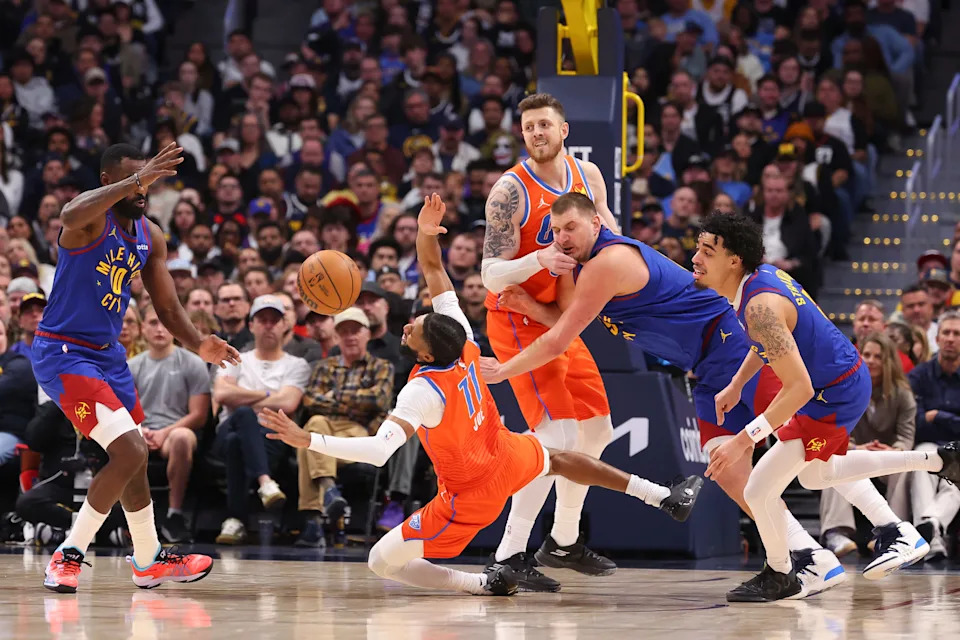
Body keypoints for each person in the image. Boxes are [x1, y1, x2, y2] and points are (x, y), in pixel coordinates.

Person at [259, 194, 702, 595]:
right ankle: (661, 496)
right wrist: (425, 232)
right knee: (561, 457)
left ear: (428, 350)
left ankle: (481, 583)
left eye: (414, 328)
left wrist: (307, 441)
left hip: (467, 494)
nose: (408, 324)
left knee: (380, 561)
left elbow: (378, 451)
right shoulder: (466, 343)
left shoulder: (421, 390)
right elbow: (434, 271)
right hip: (504, 454)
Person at [480, 193, 840, 600]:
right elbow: (571, 321)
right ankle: (807, 554)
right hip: (706, 364)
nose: (562, 238)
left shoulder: (607, 263)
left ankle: (847, 541)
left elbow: (560, 338)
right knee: (731, 471)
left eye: (571, 228)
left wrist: (503, 370)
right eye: (557, 230)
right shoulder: (585, 271)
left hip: (730, 345)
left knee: (811, 445)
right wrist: (529, 300)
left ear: (596, 224)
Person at [692, 212, 960, 602]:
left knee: (758, 487)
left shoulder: (759, 306)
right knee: (818, 476)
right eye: (698, 248)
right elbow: (770, 340)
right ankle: (932, 471)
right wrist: (737, 383)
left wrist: (742, 440)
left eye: (707, 251)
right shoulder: (760, 279)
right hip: (840, 382)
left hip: (829, 393)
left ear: (734, 260)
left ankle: (782, 572)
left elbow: (797, 388)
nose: (695, 258)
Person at [32, 142, 240, 593]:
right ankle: (69, 554)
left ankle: (147, 560)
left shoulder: (151, 235)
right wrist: (138, 178)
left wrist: (199, 342)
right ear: (111, 182)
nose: (145, 188)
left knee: (135, 459)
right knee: (129, 451)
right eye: (135, 179)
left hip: (108, 356)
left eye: (148, 178)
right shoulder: (89, 221)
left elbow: (166, 305)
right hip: (63, 352)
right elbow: (67, 213)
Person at [479, 93, 622, 589]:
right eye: (528, 127)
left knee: (598, 428)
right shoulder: (509, 191)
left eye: (544, 125)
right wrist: (539, 260)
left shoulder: (591, 177)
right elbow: (490, 275)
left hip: (561, 314)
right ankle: (509, 553)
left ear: (564, 131)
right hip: (516, 314)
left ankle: (562, 540)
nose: (536, 133)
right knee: (557, 437)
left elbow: (608, 231)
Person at [211, 294, 311, 545]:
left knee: (238, 440)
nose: (268, 325)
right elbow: (222, 394)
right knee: (241, 419)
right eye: (262, 319)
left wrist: (242, 396)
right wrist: (269, 395)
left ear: (284, 325)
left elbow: (289, 403)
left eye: (274, 320)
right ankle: (265, 482)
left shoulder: (297, 365)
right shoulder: (235, 358)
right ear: (251, 325)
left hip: (272, 436)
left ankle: (235, 521)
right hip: (226, 430)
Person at [128, 304, 212, 543]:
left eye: (165, 323)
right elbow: (123, 410)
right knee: (122, 440)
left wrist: (165, 432)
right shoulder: (132, 366)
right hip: (140, 431)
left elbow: (199, 415)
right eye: (153, 323)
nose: (159, 329)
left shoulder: (193, 363)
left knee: (182, 438)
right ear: (143, 328)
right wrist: (139, 430)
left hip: (177, 431)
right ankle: (129, 519)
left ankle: (174, 514)